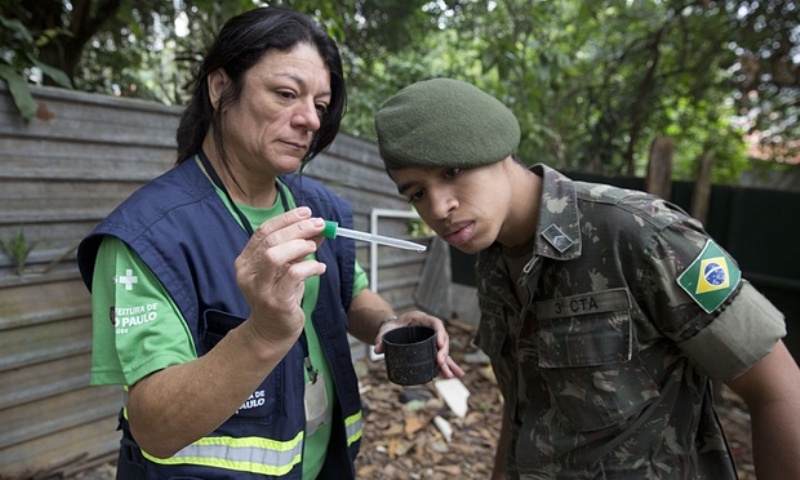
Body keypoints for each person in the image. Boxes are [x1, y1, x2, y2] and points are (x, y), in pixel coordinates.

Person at [76, 8, 463, 480]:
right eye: (285, 94)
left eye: (320, 106)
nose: (310, 121)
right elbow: (154, 425)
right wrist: (262, 333)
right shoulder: (149, 235)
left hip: (323, 466)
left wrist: (389, 322)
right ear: (220, 88)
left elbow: (348, 293)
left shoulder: (317, 208)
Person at [373, 77, 800, 479]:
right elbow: (525, 406)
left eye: (450, 172)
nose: (437, 207)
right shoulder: (493, 259)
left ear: (498, 148)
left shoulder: (640, 233)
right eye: (416, 193)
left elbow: (778, 390)